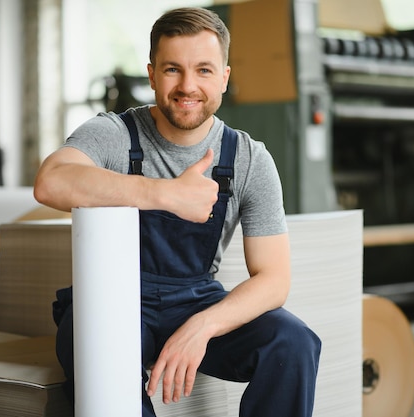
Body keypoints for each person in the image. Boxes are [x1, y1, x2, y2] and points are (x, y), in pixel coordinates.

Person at [34, 7, 321, 417]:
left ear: (224, 76)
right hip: (114, 296)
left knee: (293, 343)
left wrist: (201, 326)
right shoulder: (114, 134)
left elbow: (274, 279)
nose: (188, 86)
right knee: (93, 346)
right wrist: (166, 194)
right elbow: (51, 182)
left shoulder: (249, 159)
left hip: (196, 299)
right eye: (173, 70)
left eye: (204, 70)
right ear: (151, 74)